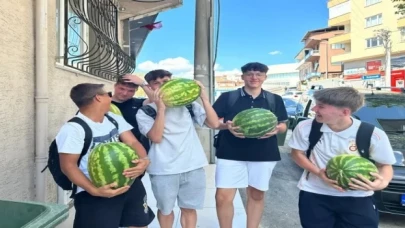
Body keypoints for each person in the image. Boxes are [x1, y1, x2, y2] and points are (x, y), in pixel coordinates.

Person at [288, 87, 396, 228]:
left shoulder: (373, 134)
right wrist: (318, 173)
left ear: (344, 112)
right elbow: (297, 154)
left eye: (321, 106)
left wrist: (382, 183)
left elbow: (385, 165)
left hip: (359, 198)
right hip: (314, 194)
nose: (314, 109)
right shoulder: (305, 127)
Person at [56, 83, 154, 228]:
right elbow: (68, 166)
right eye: (107, 94)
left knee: (138, 223)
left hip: (130, 183)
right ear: (98, 98)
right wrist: (94, 190)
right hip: (96, 191)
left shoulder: (112, 118)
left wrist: (144, 160)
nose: (111, 97)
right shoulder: (73, 129)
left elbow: (133, 142)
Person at [136, 69, 220, 228]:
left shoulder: (189, 105)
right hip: (163, 169)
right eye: (157, 84)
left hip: (193, 166)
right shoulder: (145, 111)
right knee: (166, 210)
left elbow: (214, 124)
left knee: (189, 209)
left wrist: (204, 98)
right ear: (150, 87)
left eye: (166, 82)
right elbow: (156, 137)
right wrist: (161, 108)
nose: (162, 87)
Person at [212, 62, 288, 228]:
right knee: (222, 196)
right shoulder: (228, 97)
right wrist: (227, 126)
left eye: (259, 74)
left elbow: (283, 125)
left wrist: (276, 130)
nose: (254, 77)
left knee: (257, 195)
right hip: (230, 152)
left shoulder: (275, 99)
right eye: (250, 74)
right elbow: (212, 121)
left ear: (264, 77)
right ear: (243, 77)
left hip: (263, 154)